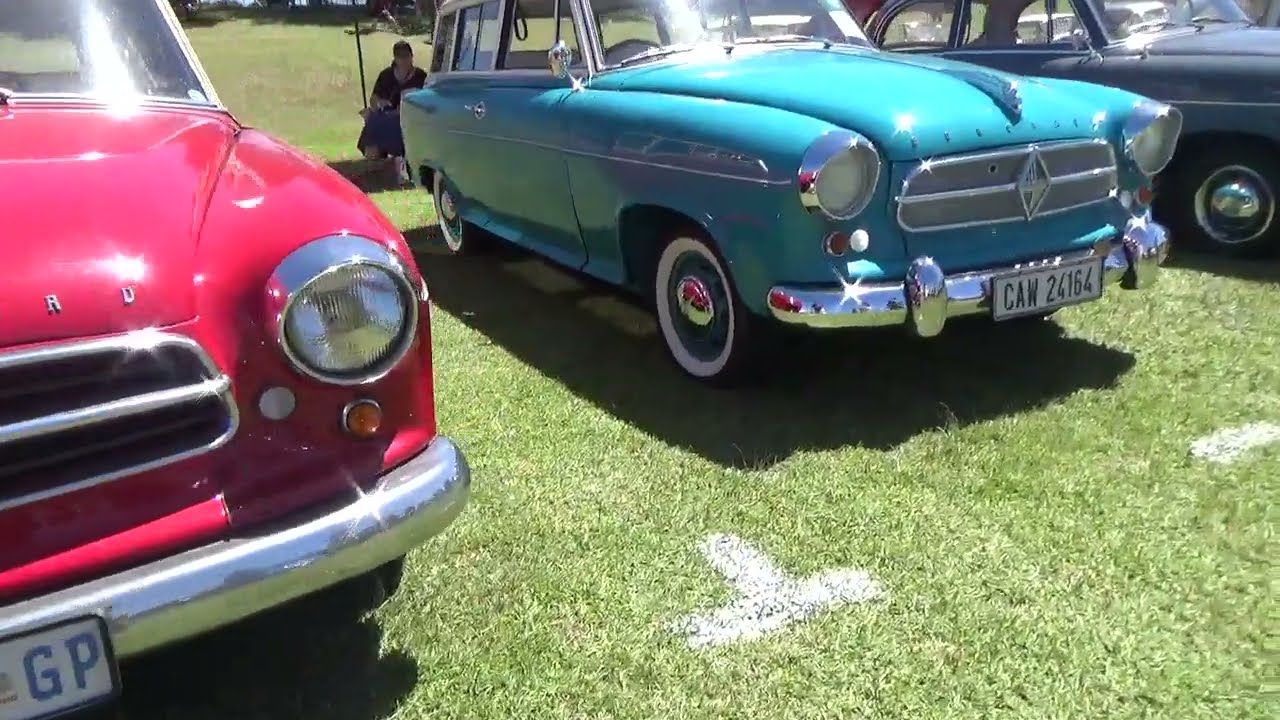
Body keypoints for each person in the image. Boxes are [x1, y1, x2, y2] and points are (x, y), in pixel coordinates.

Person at [356, 40, 427, 178]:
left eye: (406, 56)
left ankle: (401, 162)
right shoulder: (386, 76)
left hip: (411, 121)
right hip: (387, 118)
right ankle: (377, 166)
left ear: (412, 57)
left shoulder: (421, 76)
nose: (404, 60)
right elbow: (374, 99)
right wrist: (380, 103)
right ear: (395, 58)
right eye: (400, 57)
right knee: (374, 129)